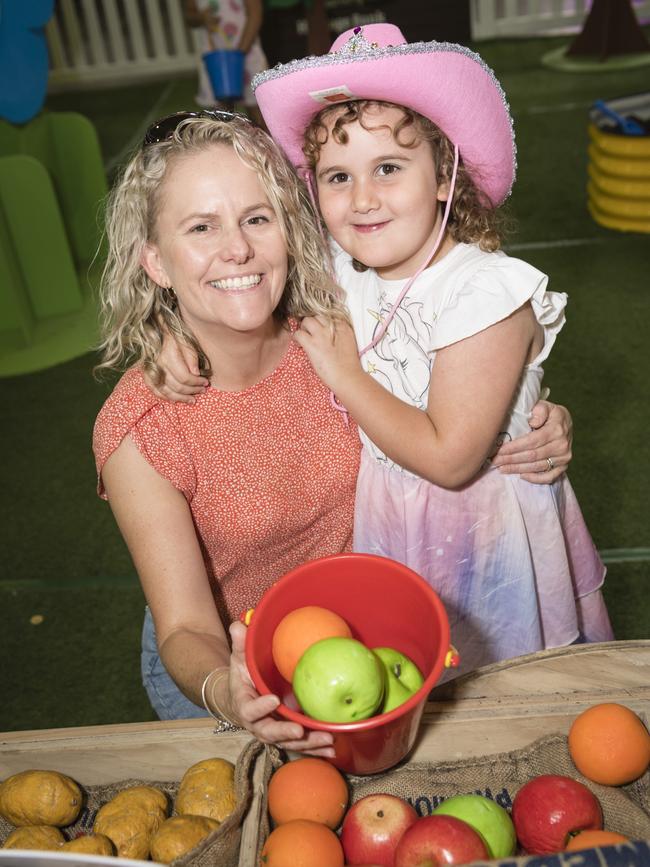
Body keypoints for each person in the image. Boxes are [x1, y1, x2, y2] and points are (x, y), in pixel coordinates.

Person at [156, 24, 613, 678]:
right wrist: (179, 331)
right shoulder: (344, 275)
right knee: (414, 671)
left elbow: (450, 458)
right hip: (397, 531)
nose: (362, 199)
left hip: (487, 536)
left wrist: (343, 373)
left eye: (389, 168)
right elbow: (241, 295)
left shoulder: (485, 292)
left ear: (445, 176)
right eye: (337, 176)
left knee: (512, 685)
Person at [93, 111, 361, 755]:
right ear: (155, 261)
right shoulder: (142, 431)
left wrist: (538, 421)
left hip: (358, 639)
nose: (237, 248)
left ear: (289, 231)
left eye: (256, 218)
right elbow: (184, 624)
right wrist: (228, 690)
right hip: (227, 665)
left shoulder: (340, 334)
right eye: (201, 227)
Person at [182, 0, 267, 127]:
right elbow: (189, 15)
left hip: (248, 53)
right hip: (214, 57)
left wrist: (237, 56)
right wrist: (201, 18)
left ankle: (264, 144)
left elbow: (255, 14)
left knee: (258, 110)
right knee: (221, 116)